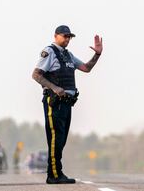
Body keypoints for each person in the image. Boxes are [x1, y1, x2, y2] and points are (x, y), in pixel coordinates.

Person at [32, 25, 103, 184]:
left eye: (69, 37)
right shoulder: (49, 52)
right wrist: (55, 88)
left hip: (66, 104)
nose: (67, 39)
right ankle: (54, 175)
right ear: (56, 36)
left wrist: (97, 54)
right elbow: (36, 74)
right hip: (54, 102)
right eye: (65, 36)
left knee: (61, 140)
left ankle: (57, 173)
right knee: (55, 138)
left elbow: (86, 68)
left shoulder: (68, 55)